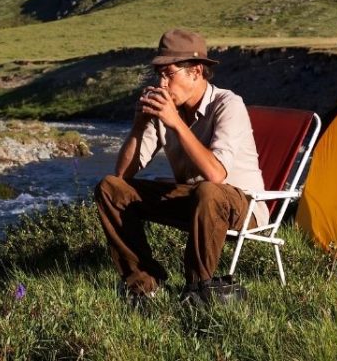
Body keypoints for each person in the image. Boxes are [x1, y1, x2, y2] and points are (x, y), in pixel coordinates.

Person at [93, 28, 267, 304]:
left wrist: (174, 122)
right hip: (194, 199)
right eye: (159, 75)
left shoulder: (228, 104)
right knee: (110, 188)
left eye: (169, 74)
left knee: (208, 190)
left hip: (242, 204)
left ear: (196, 72)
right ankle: (144, 284)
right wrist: (139, 125)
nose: (161, 84)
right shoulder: (167, 107)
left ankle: (198, 288)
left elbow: (216, 174)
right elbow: (122, 175)